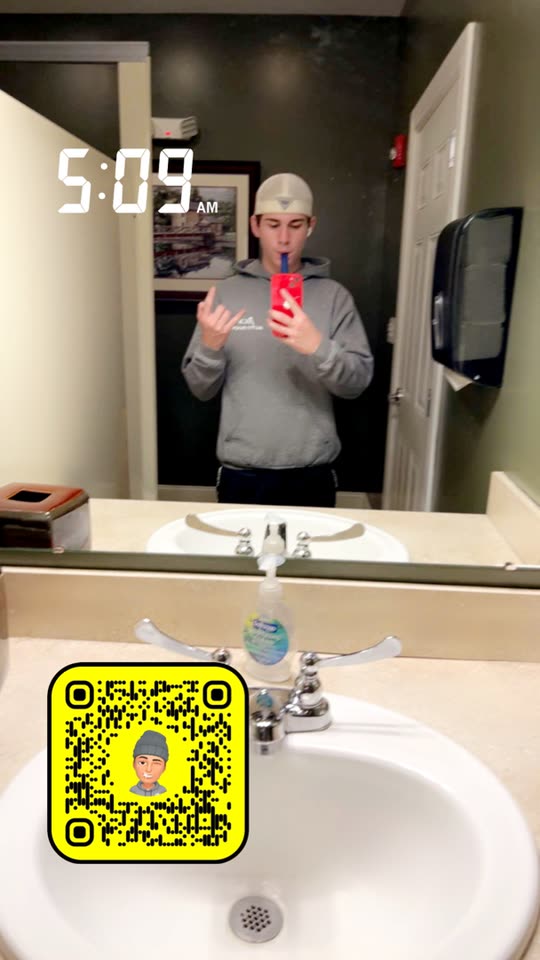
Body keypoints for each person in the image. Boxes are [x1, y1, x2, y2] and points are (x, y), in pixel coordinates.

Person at [181, 172, 373, 507]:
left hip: (312, 470)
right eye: (273, 225)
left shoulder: (334, 297)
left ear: (310, 226)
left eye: (295, 225)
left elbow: (356, 384)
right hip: (242, 470)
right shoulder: (225, 294)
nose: (284, 238)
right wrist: (210, 347)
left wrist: (319, 347)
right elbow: (201, 390)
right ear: (255, 225)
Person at [130, 730, 168, 796]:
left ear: (164, 768)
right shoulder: (132, 791)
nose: (148, 769)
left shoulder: (163, 792)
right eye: (142, 762)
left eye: (156, 764)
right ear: (134, 764)